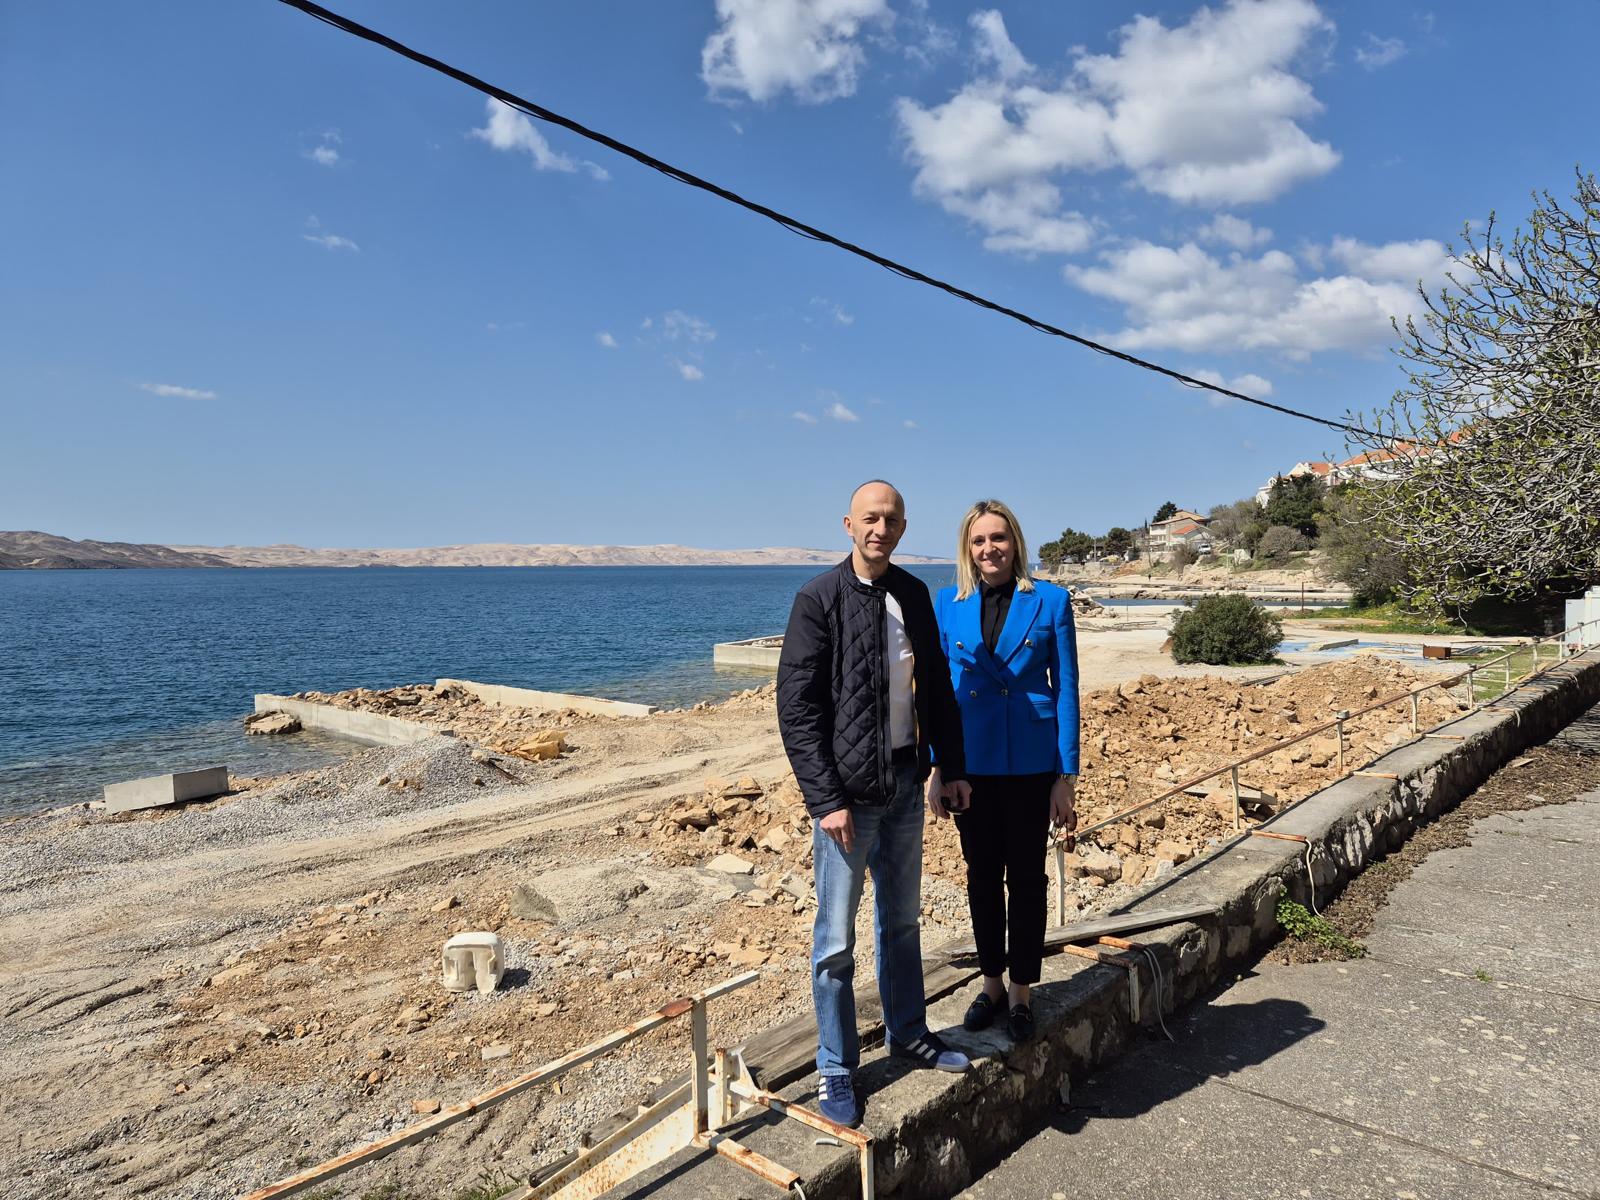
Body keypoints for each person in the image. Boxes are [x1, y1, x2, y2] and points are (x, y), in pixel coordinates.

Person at [776, 480, 973, 1129]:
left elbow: (936, 688)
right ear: (848, 524)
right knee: (835, 942)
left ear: (902, 528)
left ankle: (908, 1033)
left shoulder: (913, 595)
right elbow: (797, 708)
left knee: (903, 923)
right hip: (847, 804)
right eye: (869, 518)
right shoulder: (818, 599)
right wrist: (825, 798)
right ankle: (836, 1066)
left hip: (907, 787)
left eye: (890, 519)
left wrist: (949, 767)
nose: (879, 528)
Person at [927, 499, 1080, 1043]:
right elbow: (938, 693)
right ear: (967, 549)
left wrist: (1065, 776)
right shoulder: (948, 604)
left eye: (998, 538)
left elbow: (1066, 689)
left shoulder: (1051, 600)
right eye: (979, 541)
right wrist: (938, 765)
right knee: (982, 876)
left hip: (1032, 762)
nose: (989, 549)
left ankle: (1021, 991)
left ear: (1015, 542)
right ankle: (990, 983)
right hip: (971, 764)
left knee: (1029, 879)